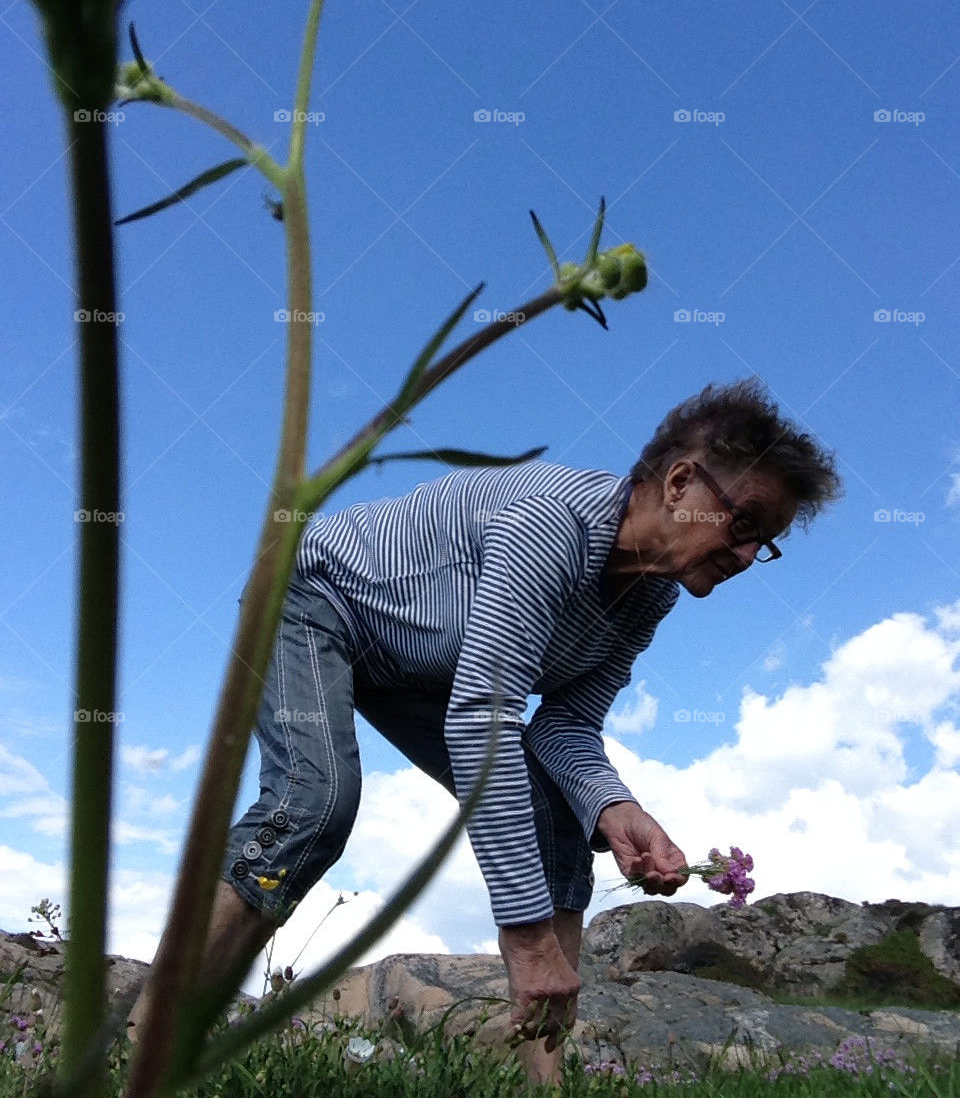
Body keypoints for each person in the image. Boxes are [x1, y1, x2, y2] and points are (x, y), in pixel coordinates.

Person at [129, 378, 841, 1086]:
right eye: (744, 524)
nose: (748, 557)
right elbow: (486, 717)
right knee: (315, 802)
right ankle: (146, 1047)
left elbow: (566, 726)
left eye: (766, 544)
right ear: (682, 481)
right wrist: (526, 935)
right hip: (315, 598)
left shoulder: (648, 595)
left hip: (420, 665)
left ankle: (543, 1084)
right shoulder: (552, 525)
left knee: (559, 819)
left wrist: (615, 807)